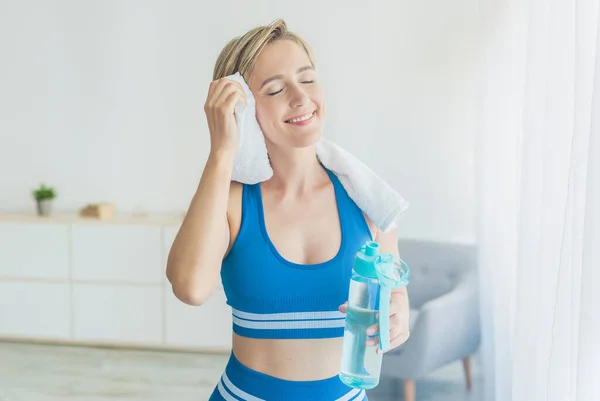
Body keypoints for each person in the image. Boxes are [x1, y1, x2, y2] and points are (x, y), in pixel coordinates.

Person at [166, 19, 410, 401]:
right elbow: (191, 288)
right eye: (276, 89)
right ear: (242, 108)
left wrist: (397, 318)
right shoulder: (232, 201)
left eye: (308, 79)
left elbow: (395, 302)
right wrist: (221, 151)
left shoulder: (369, 203)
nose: (300, 98)